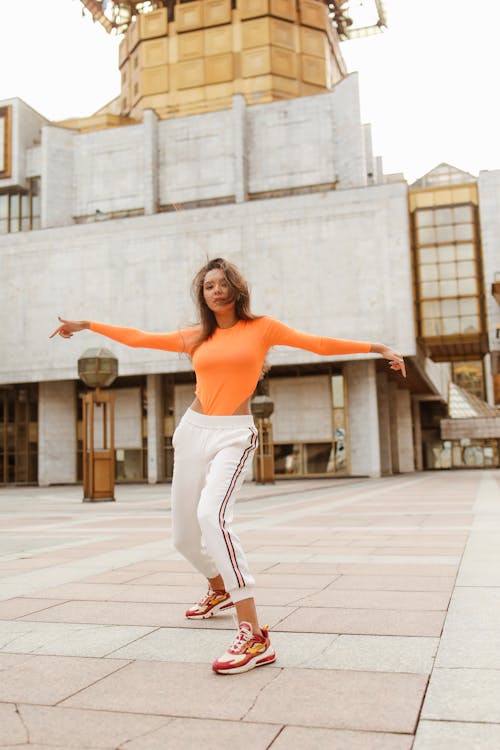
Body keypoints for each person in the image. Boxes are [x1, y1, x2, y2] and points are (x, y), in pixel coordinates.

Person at [50, 257, 406, 675]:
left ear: (237, 289)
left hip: (233, 435)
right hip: (192, 430)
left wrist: (378, 347)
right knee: (183, 537)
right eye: (208, 286)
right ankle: (217, 587)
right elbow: (140, 338)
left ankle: (253, 633)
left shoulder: (262, 328)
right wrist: (87, 324)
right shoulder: (196, 337)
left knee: (211, 518)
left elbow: (318, 343)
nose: (215, 290)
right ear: (202, 295)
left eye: (222, 283)